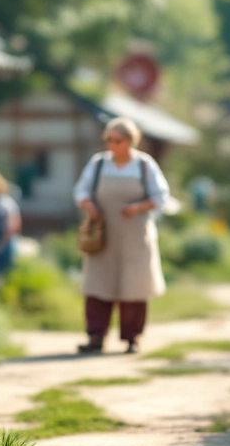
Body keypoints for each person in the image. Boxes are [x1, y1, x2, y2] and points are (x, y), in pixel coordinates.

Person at [73, 117, 171, 354]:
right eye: (109, 139)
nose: (112, 145)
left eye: (117, 140)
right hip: (104, 235)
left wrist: (137, 207)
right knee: (98, 285)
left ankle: (132, 337)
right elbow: (81, 190)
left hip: (135, 236)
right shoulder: (98, 165)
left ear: (130, 142)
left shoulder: (144, 166)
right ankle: (96, 336)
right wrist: (89, 205)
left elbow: (161, 196)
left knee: (134, 287)